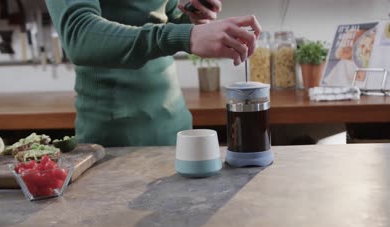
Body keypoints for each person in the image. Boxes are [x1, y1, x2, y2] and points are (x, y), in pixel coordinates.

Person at [46, 0, 261, 147]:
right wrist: (187, 36)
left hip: (176, 130)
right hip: (115, 142)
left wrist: (190, 15)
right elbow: (79, 34)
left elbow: (159, 17)